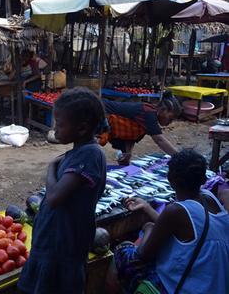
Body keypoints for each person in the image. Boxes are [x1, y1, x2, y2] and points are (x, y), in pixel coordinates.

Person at [18, 89, 107, 293]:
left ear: (82, 128)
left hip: (63, 247)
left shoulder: (90, 155)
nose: (56, 129)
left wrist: (50, 168)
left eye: (60, 124)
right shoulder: (79, 152)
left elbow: (55, 197)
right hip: (55, 241)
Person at [114, 150, 229, 293]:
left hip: (189, 288)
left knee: (124, 252)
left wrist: (148, 228)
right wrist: (147, 207)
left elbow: (143, 255)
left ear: (170, 178)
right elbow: (177, 227)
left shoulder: (176, 211)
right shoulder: (209, 198)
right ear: (203, 179)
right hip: (215, 285)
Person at [99, 91, 182, 165]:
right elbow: (159, 140)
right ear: (163, 110)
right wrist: (180, 157)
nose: (170, 122)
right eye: (170, 118)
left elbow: (130, 137)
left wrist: (128, 153)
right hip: (100, 112)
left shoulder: (147, 116)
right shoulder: (149, 114)